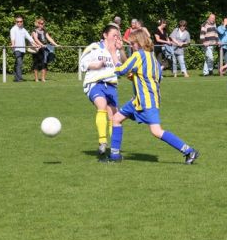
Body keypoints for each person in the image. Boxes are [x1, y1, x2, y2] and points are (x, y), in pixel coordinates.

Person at [108, 28, 198, 164]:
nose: (131, 46)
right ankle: (114, 156)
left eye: (132, 43)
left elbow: (121, 70)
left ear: (139, 42)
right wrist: (120, 51)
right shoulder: (152, 58)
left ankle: (189, 151)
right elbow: (135, 74)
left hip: (146, 101)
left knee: (156, 131)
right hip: (139, 100)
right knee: (116, 119)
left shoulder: (139, 55)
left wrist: (113, 52)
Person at [79, 23, 122, 156]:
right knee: (101, 105)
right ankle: (102, 142)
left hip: (111, 85)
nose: (116, 38)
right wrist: (96, 65)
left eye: (118, 36)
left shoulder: (117, 51)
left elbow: (122, 67)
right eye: (114, 35)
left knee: (114, 116)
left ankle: (114, 148)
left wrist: (120, 50)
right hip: (95, 82)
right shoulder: (94, 47)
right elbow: (82, 63)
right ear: (105, 35)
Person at [31, 17, 59, 82]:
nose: (42, 25)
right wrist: (41, 44)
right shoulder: (34, 31)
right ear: (37, 24)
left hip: (44, 49)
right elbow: (36, 39)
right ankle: (36, 79)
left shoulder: (44, 31)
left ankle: (43, 78)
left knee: (44, 63)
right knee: (36, 63)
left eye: (43, 23)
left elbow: (49, 38)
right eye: (40, 23)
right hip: (36, 49)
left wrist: (56, 44)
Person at [9, 15, 37, 82]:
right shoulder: (13, 29)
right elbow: (12, 38)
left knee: (17, 63)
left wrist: (35, 44)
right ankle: (19, 78)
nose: (19, 23)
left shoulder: (23, 29)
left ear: (22, 22)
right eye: (18, 21)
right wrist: (13, 44)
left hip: (22, 49)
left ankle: (16, 78)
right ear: (15, 22)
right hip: (17, 49)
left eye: (21, 21)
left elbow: (29, 38)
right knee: (19, 63)